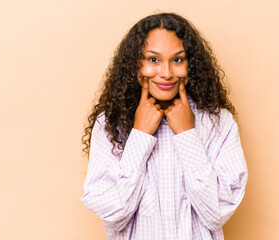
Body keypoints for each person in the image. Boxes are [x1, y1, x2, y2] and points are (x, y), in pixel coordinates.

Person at [80, 12, 248, 239]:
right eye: (153, 59)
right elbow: (113, 213)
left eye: (177, 59)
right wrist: (139, 135)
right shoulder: (110, 124)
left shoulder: (219, 122)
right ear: (135, 64)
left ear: (191, 64)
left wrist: (187, 134)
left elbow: (217, 214)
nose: (167, 73)